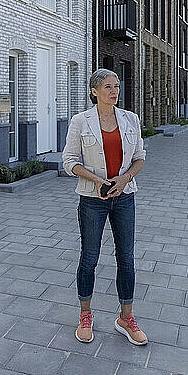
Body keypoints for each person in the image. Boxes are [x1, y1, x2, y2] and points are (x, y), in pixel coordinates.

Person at [62, 68, 148, 345]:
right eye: (108, 87)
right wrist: (98, 180)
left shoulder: (130, 119)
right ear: (94, 91)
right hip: (92, 199)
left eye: (117, 86)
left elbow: (140, 158)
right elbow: (69, 161)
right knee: (89, 257)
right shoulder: (80, 121)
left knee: (126, 258)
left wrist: (124, 179)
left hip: (124, 196)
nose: (114, 91)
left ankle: (126, 318)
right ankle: (85, 315)